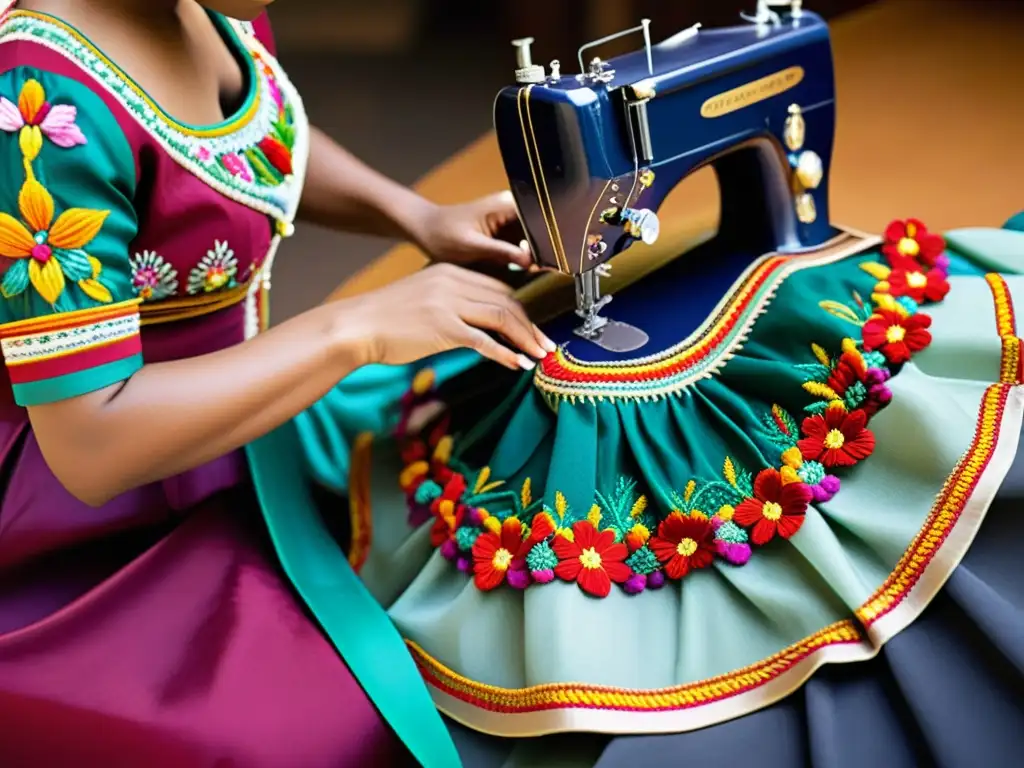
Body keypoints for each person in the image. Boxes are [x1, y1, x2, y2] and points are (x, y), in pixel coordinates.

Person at [0, 1, 552, 765]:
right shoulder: (39, 101)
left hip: (237, 439)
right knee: (326, 726)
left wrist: (416, 216)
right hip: (97, 534)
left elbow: (262, 136)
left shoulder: (214, 9)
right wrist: (350, 330)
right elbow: (91, 444)